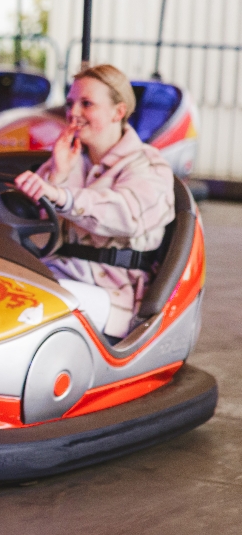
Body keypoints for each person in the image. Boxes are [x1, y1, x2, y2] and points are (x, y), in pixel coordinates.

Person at [14, 64, 175, 339]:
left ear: (118, 112)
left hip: (113, 293)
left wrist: (61, 195)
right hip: (56, 275)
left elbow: (126, 214)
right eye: (70, 103)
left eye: (86, 104)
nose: (73, 113)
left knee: (33, 305)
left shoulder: (149, 165)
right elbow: (35, 226)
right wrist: (59, 172)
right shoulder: (71, 159)